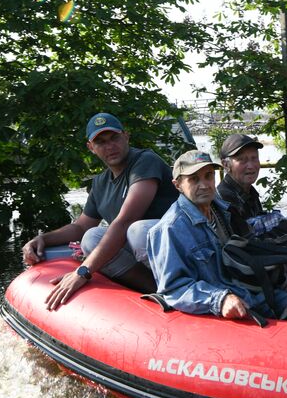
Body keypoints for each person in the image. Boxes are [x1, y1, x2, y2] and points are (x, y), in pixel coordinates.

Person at [147, 150, 287, 323]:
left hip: (249, 292)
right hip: (220, 310)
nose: (204, 185)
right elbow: (173, 289)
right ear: (177, 185)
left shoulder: (222, 209)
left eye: (208, 176)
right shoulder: (170, 228)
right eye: (194, 179)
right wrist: (220, 299)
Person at [22, 113, 178, 309]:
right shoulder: (100, 182)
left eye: (114, 138)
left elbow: (125, 221)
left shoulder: (145, 161)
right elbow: (81, 226)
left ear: (126, 136)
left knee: (137, 230)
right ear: (91, 148)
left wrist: (83, 271)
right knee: (91, 237)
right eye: (101, 142)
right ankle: (153, 288)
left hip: (176, 247)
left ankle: (176, 288)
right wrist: (43, 239)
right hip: (146, 255)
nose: (110, 146)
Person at [216, 133, 287, 242]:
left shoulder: (249, 193)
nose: (251, 166)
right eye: (242, 159)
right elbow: (248, 246)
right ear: (226, 165)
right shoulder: (225, 201)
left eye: (254, 158)